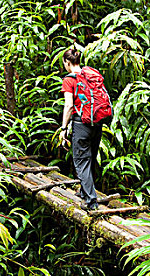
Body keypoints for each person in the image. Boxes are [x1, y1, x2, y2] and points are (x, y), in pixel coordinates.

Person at [60, 49, 103, 211]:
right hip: (97, 122)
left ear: (67, 62)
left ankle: (91, 202)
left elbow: (69, 105)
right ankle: (85, 193)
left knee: (81, 161)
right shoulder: (91, 74)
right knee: (90, 158)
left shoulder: (69, 80)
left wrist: (64, 128)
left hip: (81, 124)